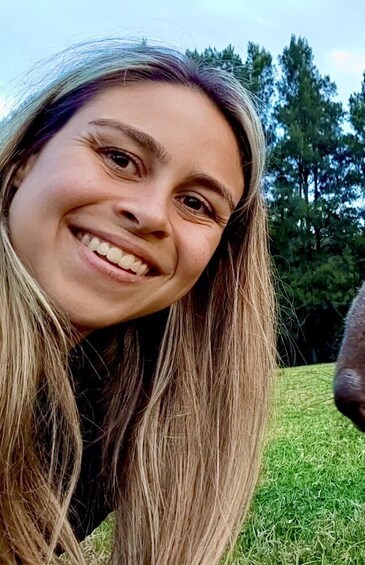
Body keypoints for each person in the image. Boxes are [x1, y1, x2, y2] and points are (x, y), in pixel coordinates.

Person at [0, 39, 276, 564]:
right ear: (24, 161)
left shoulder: (116, 415)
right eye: (120, 158)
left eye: (196, 203)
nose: (151, 214)